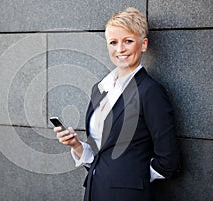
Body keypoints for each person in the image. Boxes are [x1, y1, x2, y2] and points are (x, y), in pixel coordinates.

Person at [53, 7, 181, 201]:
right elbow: (101, 154)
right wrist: (76, 145)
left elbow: (169, 160)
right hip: (94, 191)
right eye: (113, 42)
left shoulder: (150, 91)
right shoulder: (100, 89)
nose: (119, 49)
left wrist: (131, 179)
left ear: (143, 44)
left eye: (128, 41)